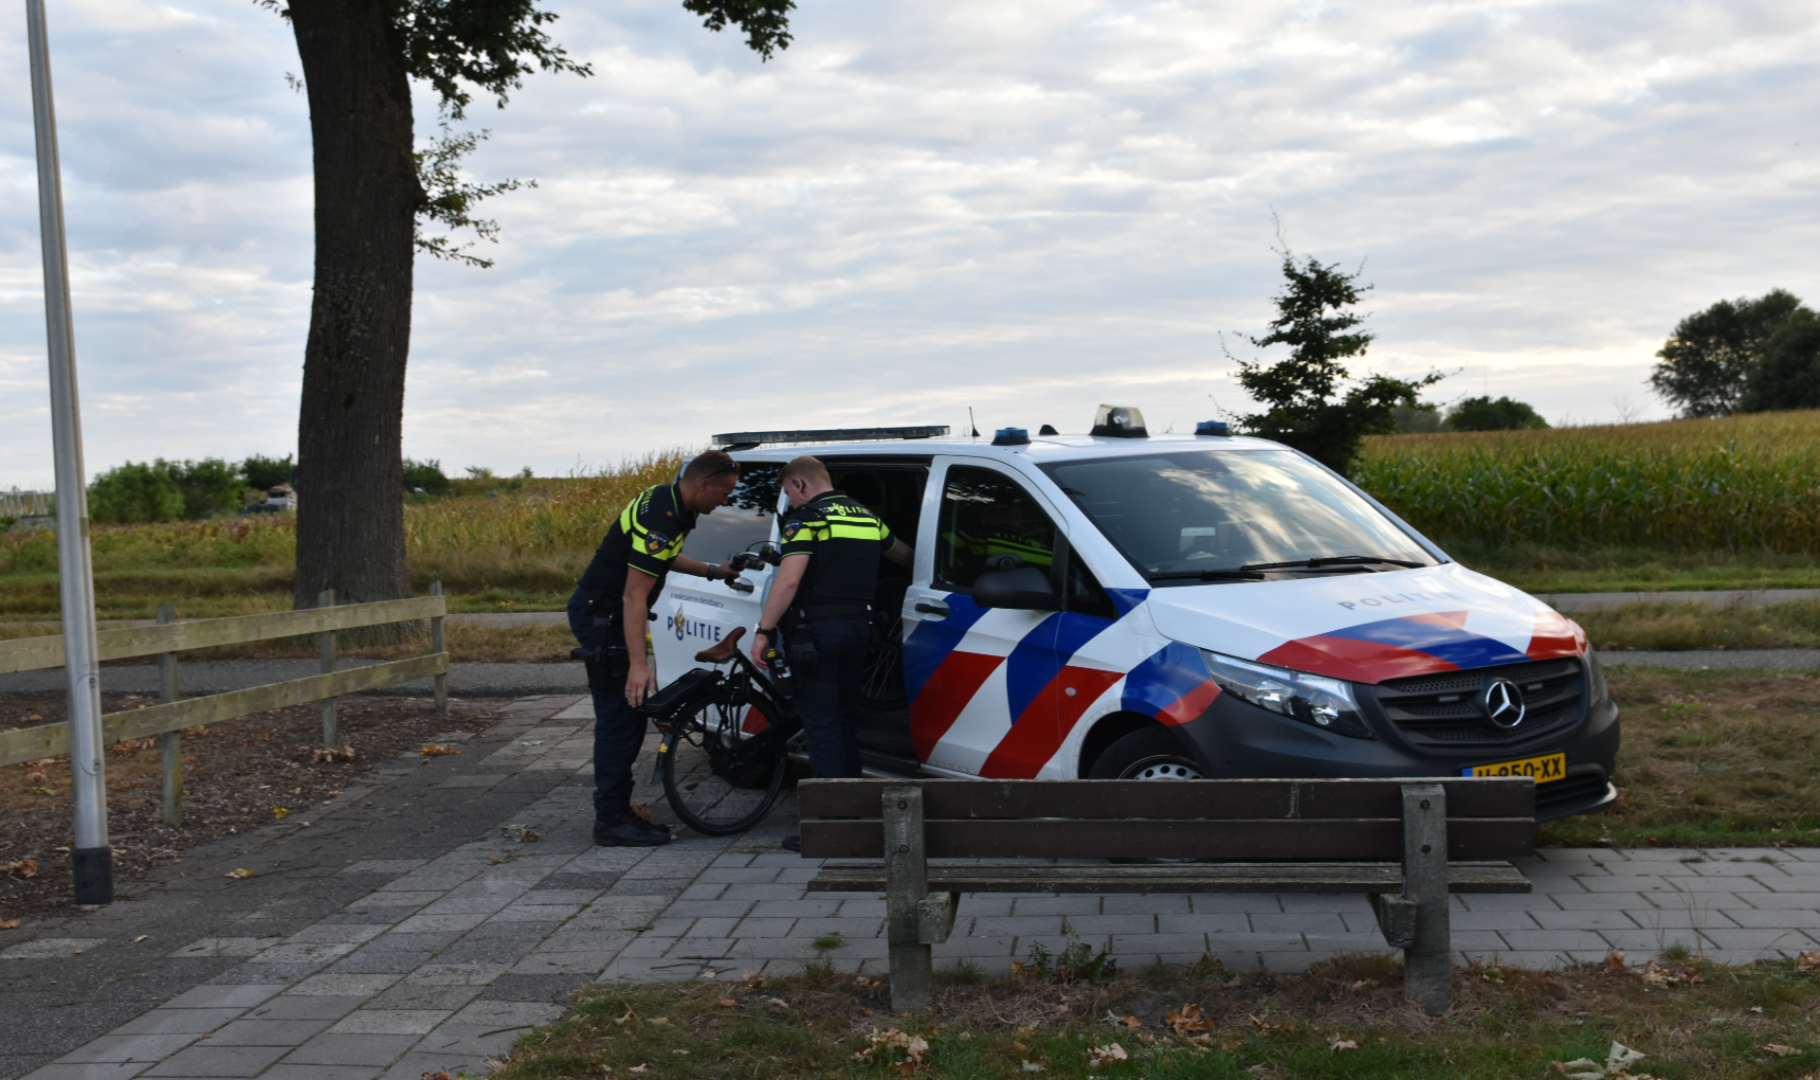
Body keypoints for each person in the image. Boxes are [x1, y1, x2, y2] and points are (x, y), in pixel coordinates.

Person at [569, 451, 740, 846]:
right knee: (622, 717)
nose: (726, 501)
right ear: (703, 484)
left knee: (626, 715)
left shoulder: (667, 501)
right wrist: (638, 665)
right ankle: (611, 821)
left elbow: (662, 557)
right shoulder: (662, 519)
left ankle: (616, 811)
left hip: (605, 611)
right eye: (725, 492)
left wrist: (714, 571)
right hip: (605, 616)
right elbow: (633, 597)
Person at [749, 456, 913, 849]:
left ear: (801, 485)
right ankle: (859, 819)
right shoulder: (865, 517)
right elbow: (905, 556)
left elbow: (788, 583)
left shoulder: (807, 520)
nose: (788, 501)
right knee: (843, 722)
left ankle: (832, 830)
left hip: (815, 636)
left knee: (822, 727)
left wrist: (764, 631)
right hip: (860, 631)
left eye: (788, 491)